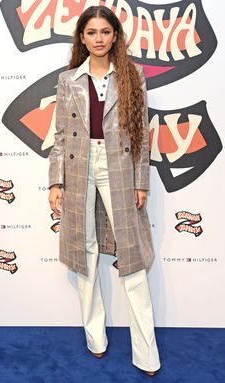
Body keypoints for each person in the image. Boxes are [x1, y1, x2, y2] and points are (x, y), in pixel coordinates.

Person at [48, 5, 161, 377]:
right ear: (81, 37)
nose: (98, 39)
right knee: (86, 252)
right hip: (80, 166)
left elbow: (142, 135)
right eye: (91, 32)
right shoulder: (69, 80)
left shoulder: (132, 76)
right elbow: (61, 136)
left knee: (132, 258)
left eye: (105, 32)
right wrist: (55, 180)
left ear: (116, 36)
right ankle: (95, 338)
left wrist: (141, 181)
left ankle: (146, 354)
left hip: (119, 168)